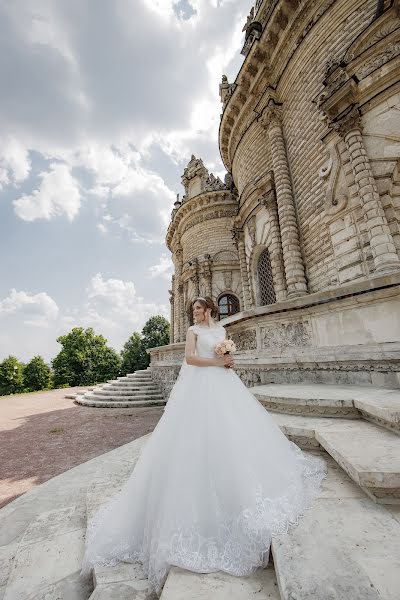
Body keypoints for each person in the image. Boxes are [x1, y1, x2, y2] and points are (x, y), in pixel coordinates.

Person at [81, 296, 326, 596]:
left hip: (224, 384)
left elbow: (225, 355)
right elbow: (190, 359)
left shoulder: (221, 330)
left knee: (235, 431)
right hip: (199, 386)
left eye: (199, 309)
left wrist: (228, 360)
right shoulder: (193, 332)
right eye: (192, 310)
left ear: (209, 310)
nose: (195, 313)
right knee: (197, 437)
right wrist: (216, 361)